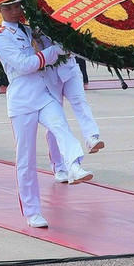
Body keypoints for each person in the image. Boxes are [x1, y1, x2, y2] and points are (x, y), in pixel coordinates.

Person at [0, 0, 94, 229]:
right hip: (22, 99)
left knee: (61, 127)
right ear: (0, 11)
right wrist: (52, 53)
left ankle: (73, 165)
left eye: (17, 5)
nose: (15, 11)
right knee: (25, 159)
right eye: (9, 7)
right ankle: (32, 211)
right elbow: (24, 65)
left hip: (44, 92)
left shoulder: (31, 30)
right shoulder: (2, 37)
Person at [41, 41, 105, 182]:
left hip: (69, 68)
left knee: (80, 102)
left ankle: (91, 137)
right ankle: (59, 167)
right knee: (56, 121)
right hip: (48, 74)